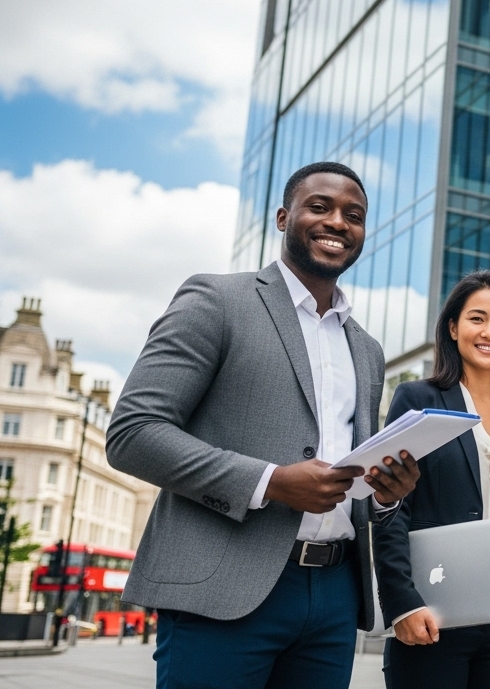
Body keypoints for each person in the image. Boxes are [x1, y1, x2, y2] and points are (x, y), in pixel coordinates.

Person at [106, 162, 421, 689]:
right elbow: (133, 433)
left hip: (335, 596)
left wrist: (386, 493)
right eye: (320, 207)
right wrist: (271, 481)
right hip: (222, 587)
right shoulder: (216, 299)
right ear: (283, 217)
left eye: (354, 215)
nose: (338, 222)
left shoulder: (366, 350)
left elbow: (351, 476)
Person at [374, 270, 490, 689]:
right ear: (453, 327)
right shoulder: (418, 400)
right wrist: (401, 603)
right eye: (477, 318)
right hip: (435, 599)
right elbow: (390, 508)